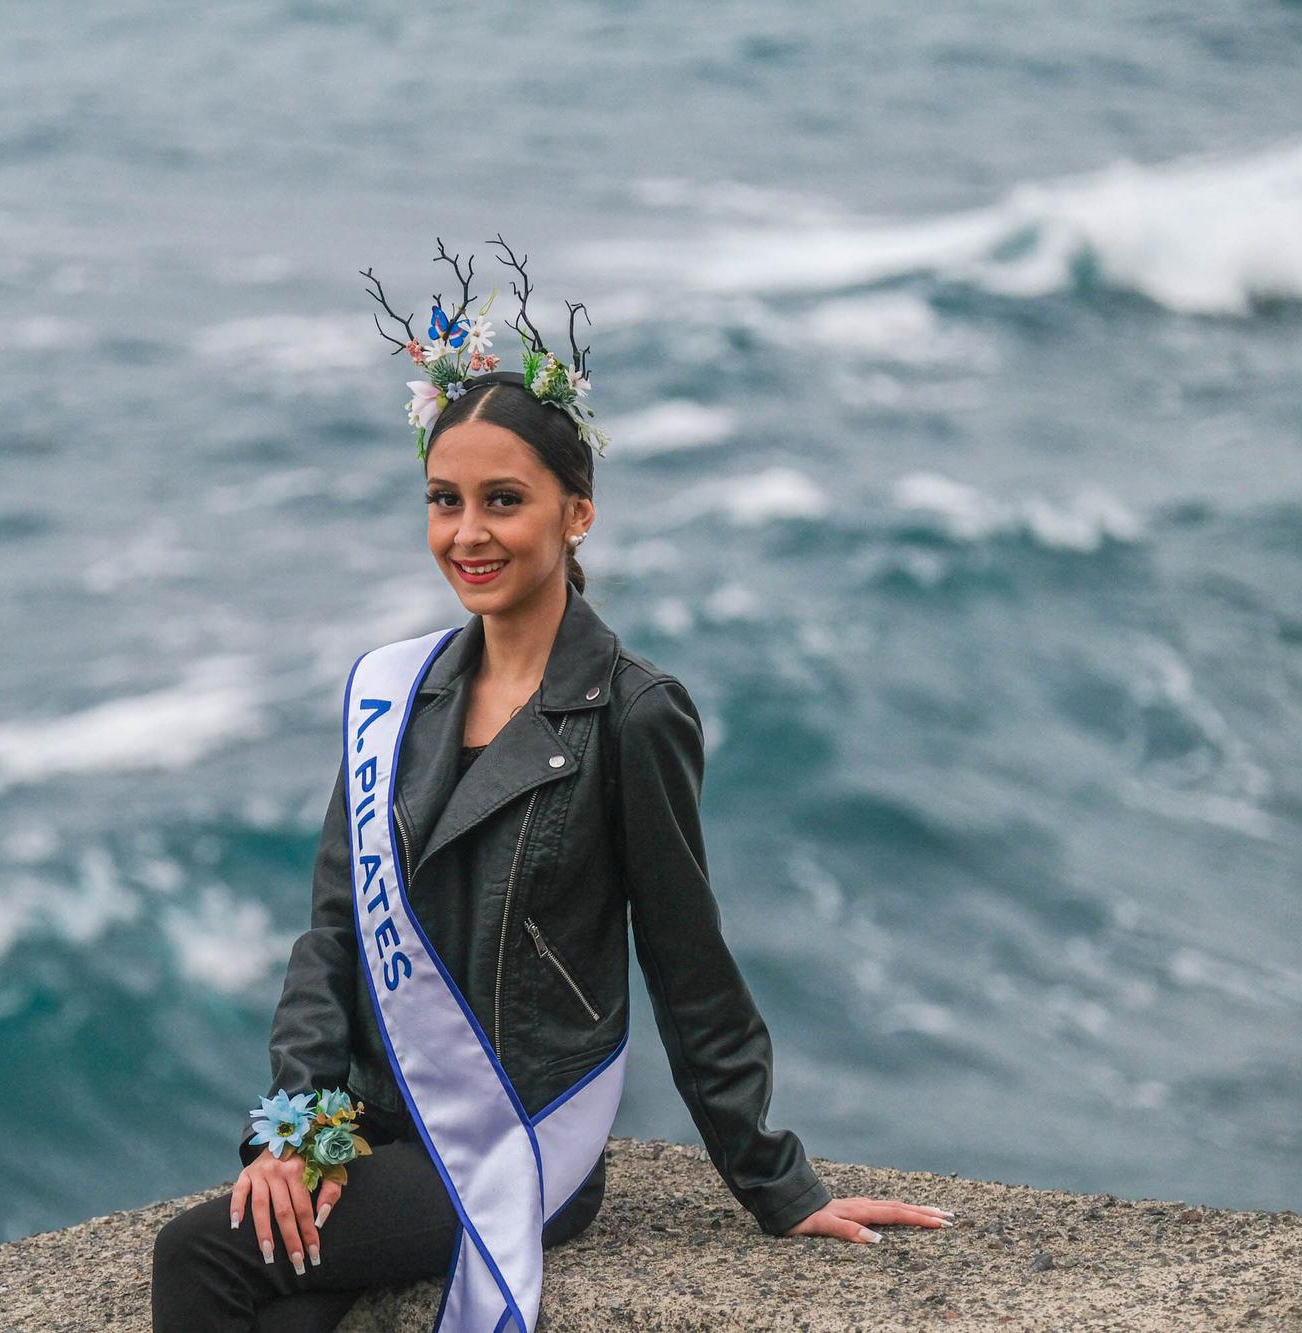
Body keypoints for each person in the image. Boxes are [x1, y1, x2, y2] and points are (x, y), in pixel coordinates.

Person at [152, 241, 950, 1332]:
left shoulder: (631, 710)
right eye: (443, 500)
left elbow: (686, 957)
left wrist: (776, 1183)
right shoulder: (395, 693)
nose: (466, 533)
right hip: (382, 1130)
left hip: (525, 1141)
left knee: (199, 1254)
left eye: (502, 500)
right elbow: (331, 936)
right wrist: (295, 1135)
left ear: (576, 514)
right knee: (288, 1309)